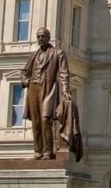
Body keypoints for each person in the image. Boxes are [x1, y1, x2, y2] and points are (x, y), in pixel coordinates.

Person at [21, 28, 82, 160]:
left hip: (48, 89)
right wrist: (26, 81)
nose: (40, 39)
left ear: (48, 38)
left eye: (43, 36)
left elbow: (64, 73)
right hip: (33, 88)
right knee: (35, 122)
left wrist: (65, 90)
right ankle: (38, 151)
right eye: (38, 36)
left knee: (45, 120)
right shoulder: (34, 55)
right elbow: (24, 72)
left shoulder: (57, 53)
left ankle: (48, 151)